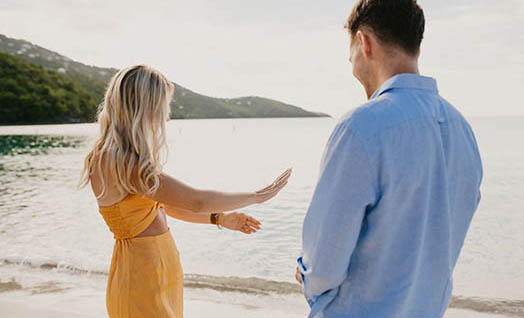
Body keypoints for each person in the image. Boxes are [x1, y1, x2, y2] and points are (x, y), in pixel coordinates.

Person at [295, 0, 483, 317]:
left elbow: (323, 266)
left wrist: (306, 274)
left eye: (350, 55)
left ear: (363, 42)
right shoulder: (463, 131)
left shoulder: (361, 127)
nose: (352, 64)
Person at [77, 64, 292, 318]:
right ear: (143, 108)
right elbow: (197, 201)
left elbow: (164, 208)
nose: (165, 117)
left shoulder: (118, 158)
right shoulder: (120, 161)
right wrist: (257, 197)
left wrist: (219, 219)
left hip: (156, 271)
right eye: (161, 108)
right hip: (141, 275)